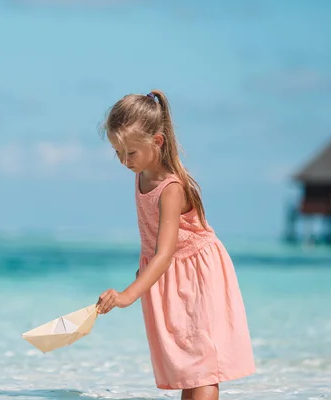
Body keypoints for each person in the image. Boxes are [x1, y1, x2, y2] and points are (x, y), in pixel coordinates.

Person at [95, 90, 256, 400]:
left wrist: (128, 294)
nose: (124, 161)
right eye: (117, 152)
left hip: (197, 274)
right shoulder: (141, 174)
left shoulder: (171, 188)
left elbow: (166, 251)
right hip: (168, 275)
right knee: (188, 366)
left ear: (157, 141)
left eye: (130, 152)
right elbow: (154, 241)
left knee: (203, 365)